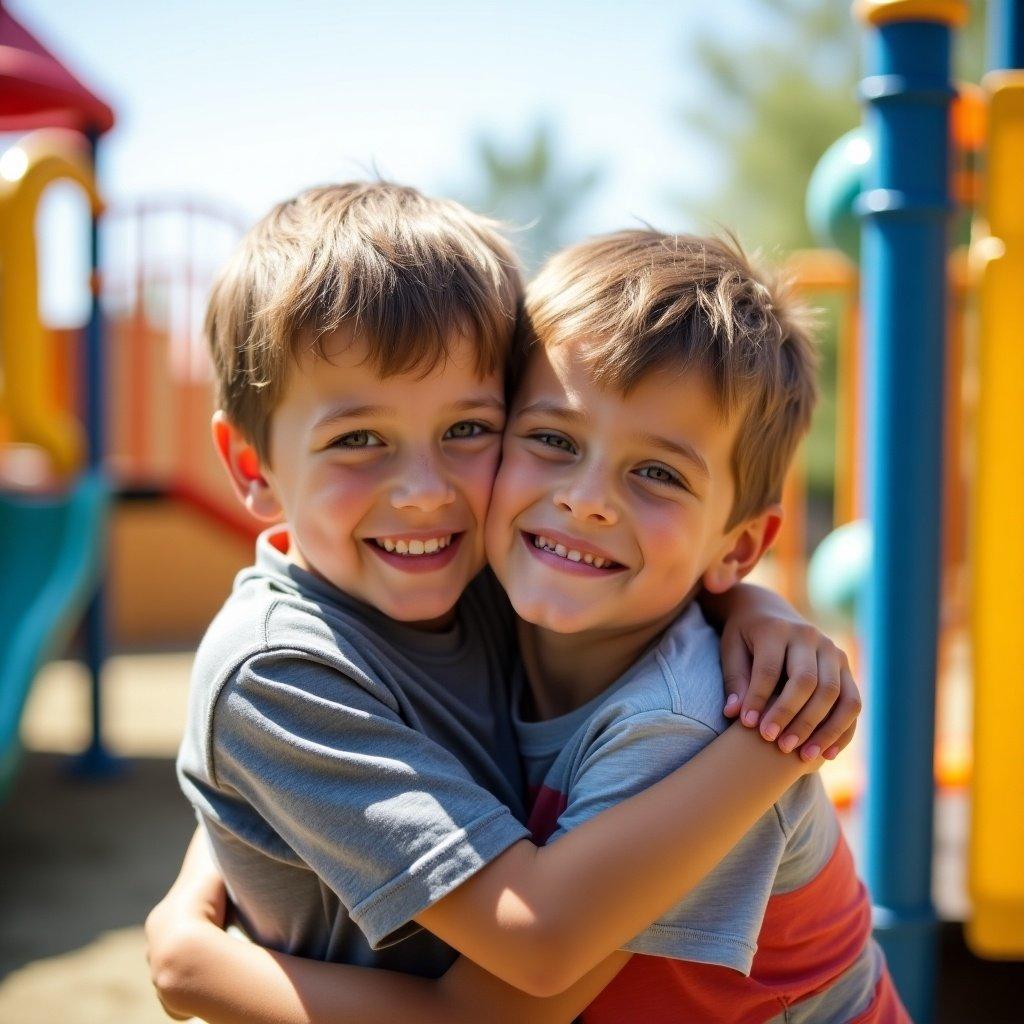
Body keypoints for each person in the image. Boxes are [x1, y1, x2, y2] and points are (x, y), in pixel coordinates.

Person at [149, 188, 863, 1022]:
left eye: (467, 430)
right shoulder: (361, 629)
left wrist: (761, 660)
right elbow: (267, 749)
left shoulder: (630, 682)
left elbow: (523, 979)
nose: (423, 493)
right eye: (358, 440)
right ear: (251, 465)